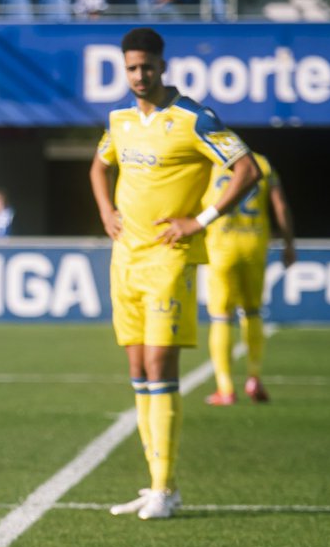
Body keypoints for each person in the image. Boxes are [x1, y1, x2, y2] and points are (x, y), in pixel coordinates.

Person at [88, 27, 260, 520]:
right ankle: (157, 484)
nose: (139, 76)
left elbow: (247, 169)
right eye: (131, 68)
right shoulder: (119, 120)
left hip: (170, 260)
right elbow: (99, 167)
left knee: (162, 367)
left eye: (147, 67)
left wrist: (200, 220)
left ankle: (164, 486)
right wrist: (105, 211)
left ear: (163, 66)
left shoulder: (194, 117)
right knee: (139, 370)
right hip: (126, 260)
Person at [203, 152, 297, 406]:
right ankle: (254, 376)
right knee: (253, 312)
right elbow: (281, 205)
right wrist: (288, 244)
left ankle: (225, 388)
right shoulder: (263, 163)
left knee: (221, 316)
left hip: (221, 247)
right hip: (254, 246)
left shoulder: (210, 164)